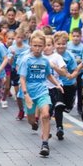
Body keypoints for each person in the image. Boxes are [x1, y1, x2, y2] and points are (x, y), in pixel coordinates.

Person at [19, 30, 64, 158]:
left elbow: (48, 75)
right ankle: (34, 123)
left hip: (42, 91)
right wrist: (25, 94)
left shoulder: (45, 61)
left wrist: (57, 84)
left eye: (40, 46)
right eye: (35, 45)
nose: (37, 48)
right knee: (31, 120)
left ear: (44, 46)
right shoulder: (26, 60)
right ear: (30, 45)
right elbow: (22, 78)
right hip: (29, 92)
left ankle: (45, 144)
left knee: (45, 114)